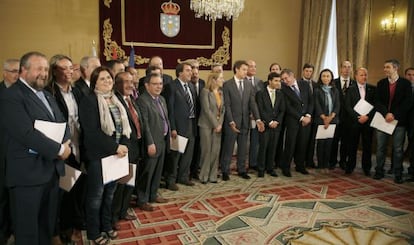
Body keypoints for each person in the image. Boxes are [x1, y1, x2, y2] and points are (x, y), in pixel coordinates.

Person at [0, 51, 72, 245]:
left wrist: (67, 143)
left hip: (50, 171)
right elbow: (25, 134)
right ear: (24, 70)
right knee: (28, 232)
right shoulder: (11, 96)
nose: (44, 73)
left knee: (45, 227)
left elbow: (62, 122)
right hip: (27, 176)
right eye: (39, 68)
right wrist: (59, 150)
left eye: (46, 69)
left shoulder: (47, 95)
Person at [79, 66, 131, 244]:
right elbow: (92, 132)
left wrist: (123, 145)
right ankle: (94, 233)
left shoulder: (116, 99)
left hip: (116, 156)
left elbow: (124, 127)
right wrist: (115, 147)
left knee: (110, 195)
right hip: (98, 157)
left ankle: (107, 226)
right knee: (96, 197)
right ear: (94, 82)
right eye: (102, 79)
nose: (107, 81)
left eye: (109, 78)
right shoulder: (89, 101)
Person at [46, 54, 84, 243]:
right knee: (62, 193)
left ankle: (70, 227)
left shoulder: (76, 91)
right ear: (54, 71)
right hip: (61, 150)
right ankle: (61, 230)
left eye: (71, 67)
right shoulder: (49, 93)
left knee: (73, 190)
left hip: (77, 148)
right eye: (65, 68)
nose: (70, 71)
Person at [220, 60, 264, 181]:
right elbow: (227, 105)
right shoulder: (227, 85)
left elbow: (252, 103)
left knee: (243, 148)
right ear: (236, 69)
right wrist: (230, 121)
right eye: (244, 69)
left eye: (247, 69)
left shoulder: (249, 85)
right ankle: (225, 170)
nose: (247, 71)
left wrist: (258, 119)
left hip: (245, 122)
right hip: (232, 122)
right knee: (228, 147)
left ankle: (242, 170)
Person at [373, 59, 412, 184]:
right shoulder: (381, 83)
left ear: (395, 68)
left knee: (398, 149)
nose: (385, 69)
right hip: (382, 120)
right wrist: (386, 113)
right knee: (380, 148)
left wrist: (394, 114)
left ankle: (398, 173)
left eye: (387, 67)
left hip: (398, 122)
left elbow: (408, 103)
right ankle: (379, 170)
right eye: (384, 67)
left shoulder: (405, 84)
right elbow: (377, 101)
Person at [112, 72, 143, 223]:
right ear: (117, 84)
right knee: (120, 186)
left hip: (135, 148)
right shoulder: (115, 101)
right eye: (126, 82)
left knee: (130, 183)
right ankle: (114, 216)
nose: (131, 85)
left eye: (132, 81)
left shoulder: (131, 100)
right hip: (124, 150)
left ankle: (123, 211)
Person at [136, 73, 170, 210]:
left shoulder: (161, 99)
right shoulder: (142, 100)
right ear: (146, 85)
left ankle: (153, 194)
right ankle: (142, 199)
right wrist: (150, 143)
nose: (158, 87)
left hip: (162, 140)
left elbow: (165, 119)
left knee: (157, 171)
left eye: (160, 84)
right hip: (151, 143)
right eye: (155, 84)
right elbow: (145, 124)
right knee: (147, 172)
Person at [164, 62, 197, 190]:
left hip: (191, 124)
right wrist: (173, 127)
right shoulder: (171, 87)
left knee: (188, 153)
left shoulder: (191, 87)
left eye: (191, 70)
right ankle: (170, 179)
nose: (191, 73)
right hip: (178, 127)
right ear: (180, 73)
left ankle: (183, 177)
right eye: (188, 70)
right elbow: (170, 109)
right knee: (175, 155)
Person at [280, 68, 313, 177]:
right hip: (293, 121)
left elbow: (310, 101)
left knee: (302, 144)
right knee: (290, 144)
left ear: (292, 75)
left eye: (286, 78)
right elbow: (288, 107)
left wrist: (308, 115)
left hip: (307, 120)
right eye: (282, 79)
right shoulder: (283, 89)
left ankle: (300, 166)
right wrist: (301, 118)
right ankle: (286, 167)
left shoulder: (304, 84)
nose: (285, 81)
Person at [0, 58, 19, 245]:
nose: (17, 75)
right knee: (3, 196)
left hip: (21, 154)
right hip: (2, 153)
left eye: (19, 71)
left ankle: (15, 230)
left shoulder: (24, 94)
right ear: (5, 73)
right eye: (13, 71)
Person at [344, 67, 376, 176]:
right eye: (361, 75)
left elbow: (375, 106)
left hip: (367, 122)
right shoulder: (350, 89)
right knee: (352, 145)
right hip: (354, 122)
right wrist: (358, 117)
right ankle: (350, 166)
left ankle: (366, 168)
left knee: (367, 146)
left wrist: (367, 116)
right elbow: (347, 106)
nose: (364, 77)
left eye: (365, 75)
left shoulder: (372, 88)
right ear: (356, 76)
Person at [256, 72, 285, 177]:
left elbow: (282, 110)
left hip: (276, 126)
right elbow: (260, 109)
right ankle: (261, 169)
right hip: (265, 125)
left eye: (279, 81)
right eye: (276, 81)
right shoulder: (261, 93)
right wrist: (269, 122)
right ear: (270, 81)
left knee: (273, 148)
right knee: (263, 147)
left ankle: (270, 168)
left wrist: (277, 121)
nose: (278, 83)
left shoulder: (280, 94)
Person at [198, 72, 225, 184]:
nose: (223, 80)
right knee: (207, 151)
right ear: (214, 80)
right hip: (206, 126)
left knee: (215, 151)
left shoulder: (220, 92)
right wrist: (215, 124)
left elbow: (223, 110)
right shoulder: (205, 92)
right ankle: (204, 176)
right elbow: (206, 110)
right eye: (221, 78)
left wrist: (220, 124)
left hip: (218, 126)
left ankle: (213, 176)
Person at [313, 69, 340, 173]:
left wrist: (331, 117)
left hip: (332, 120)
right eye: (323, 76)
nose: (326, 78)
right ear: (320, 78)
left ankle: (326, 164)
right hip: (320, 120)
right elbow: (317, 105)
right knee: (321, 143)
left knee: (329, 143)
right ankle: (320, 164)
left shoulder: (335, 90)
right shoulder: (317, 90)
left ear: (331, 78)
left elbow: (337, 105)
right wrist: (324, 118)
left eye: (328, 76)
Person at [330, 61, 356, 169]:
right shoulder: (333, 82)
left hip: (349, 118)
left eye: (349, 67)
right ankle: (332, 161)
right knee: (334, 140)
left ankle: (343, 161)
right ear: (340, 69)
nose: (346, 69)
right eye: (344, 67)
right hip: (335, 116)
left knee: (346, 141)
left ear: (351, 69)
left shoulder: (354, 84)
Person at [185, 59, 205, 181]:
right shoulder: (185, 84)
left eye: (197, 68)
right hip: (188, 122)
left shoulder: (202, 83)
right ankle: (184, 172)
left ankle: (194, 170)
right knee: (187, 149)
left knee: (198, 147)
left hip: (201, 121)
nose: (195, 71)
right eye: (192, 68)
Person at [246, 60, 264, 171]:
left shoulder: (259, 82)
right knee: (243, 142)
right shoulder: (241, 81)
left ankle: (253, 163)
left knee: (255, 141)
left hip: (256, 116)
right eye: (250, 66)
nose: (253, 68)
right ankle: (242, 165)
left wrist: (257, 115)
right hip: (244, 115)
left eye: (255, 66)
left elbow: (261, 100)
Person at [300, 63, 318, 168]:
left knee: (312, 140)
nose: (308, 73)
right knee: (303, 141)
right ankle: (300, 161)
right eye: (306, 71)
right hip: (303, 116)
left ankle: (310, 161)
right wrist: (306, 115)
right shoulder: (298, 83)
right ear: (303, 71)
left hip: (314, 116)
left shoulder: (316, 85)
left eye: (310, 71)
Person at [405, 67, 414, 182]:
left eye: (413, 75)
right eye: (409, 74)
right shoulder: (402, 87)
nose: (411, 77)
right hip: (402, 122)